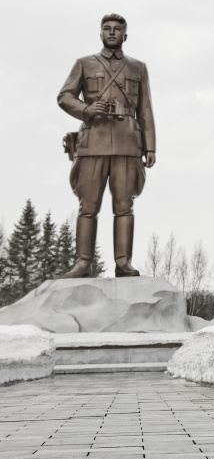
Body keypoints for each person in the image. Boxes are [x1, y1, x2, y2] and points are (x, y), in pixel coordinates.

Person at [57, 14, 156, 278]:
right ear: (101, 34)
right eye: (107, 29)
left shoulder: (138, 67)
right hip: (93, 141)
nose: (112, 32)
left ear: (125, 35)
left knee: (124, 206)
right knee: (87, 206)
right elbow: (64, 96)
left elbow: (145, 108)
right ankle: (82, 262)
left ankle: (123, 262)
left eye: (117, 29)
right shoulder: (84, 64)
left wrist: (150, 148)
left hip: (127, 143)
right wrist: (86, 109)